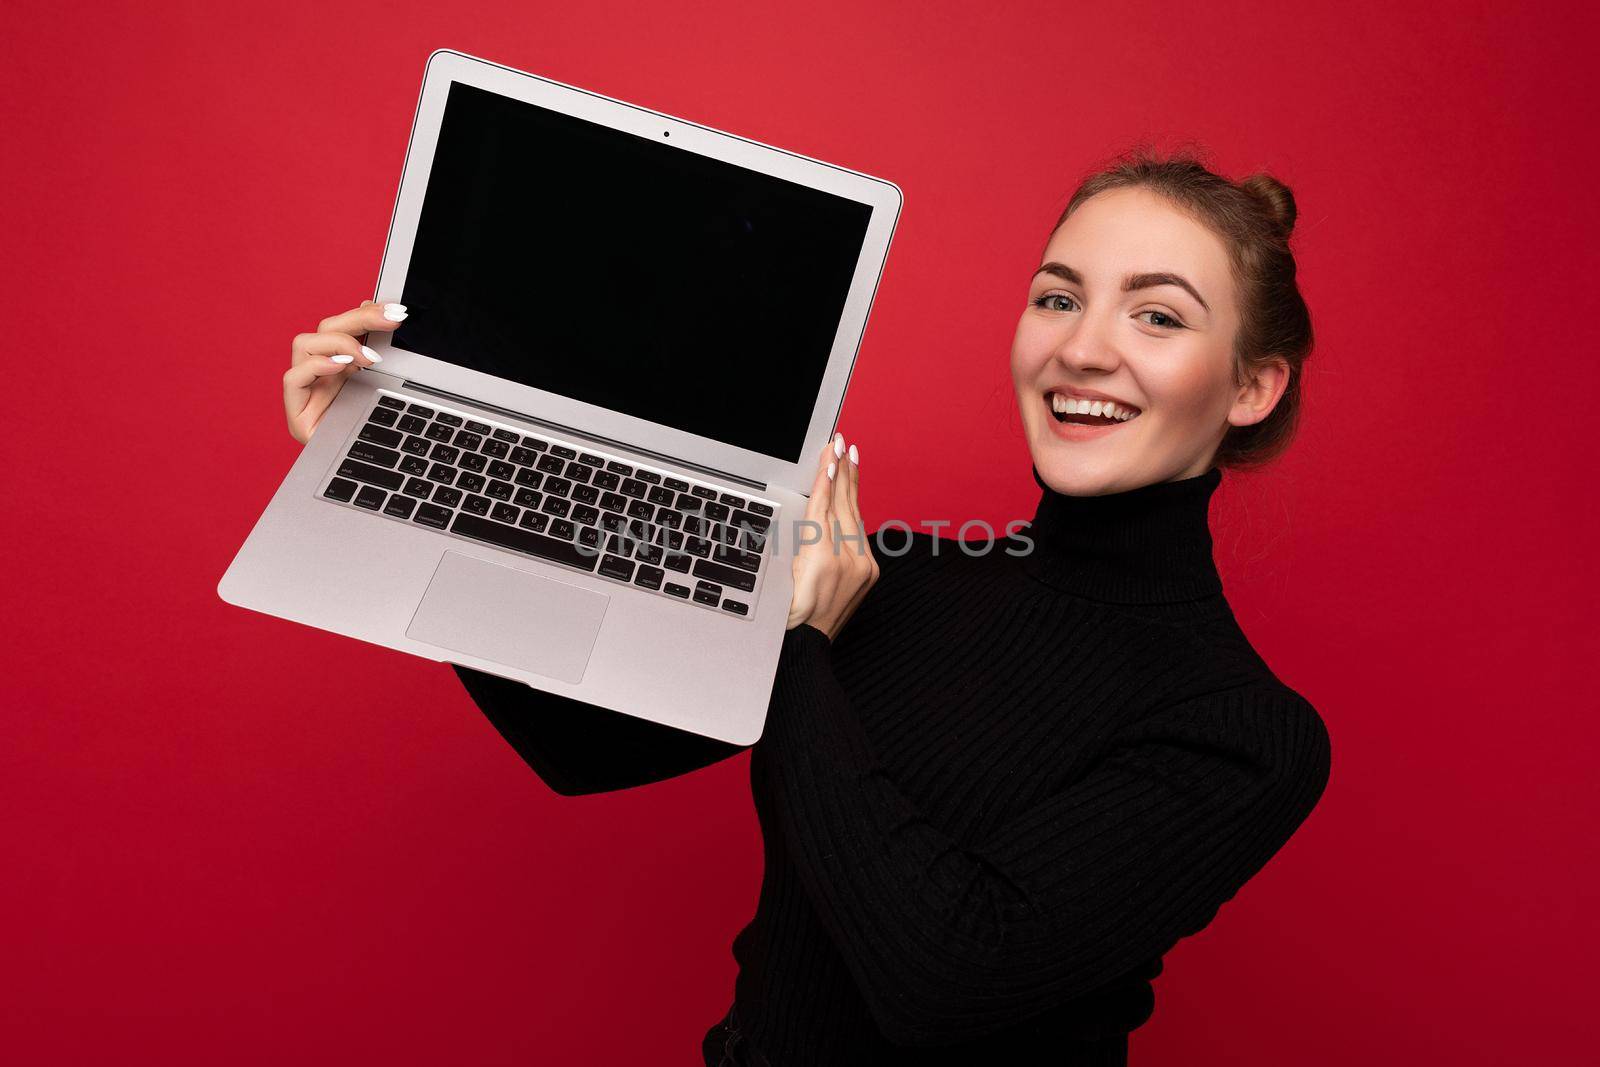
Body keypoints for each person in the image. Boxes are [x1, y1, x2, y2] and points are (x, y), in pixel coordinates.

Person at [281, 148, 1332, 1066]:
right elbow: (580, 746)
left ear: (1252, 386)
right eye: (1058, 297)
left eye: (1156, 315)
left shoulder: (1242, 727)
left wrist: (801, 639)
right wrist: (410, 466)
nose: (1083, 348)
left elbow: (940, 976)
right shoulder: (896, 575)